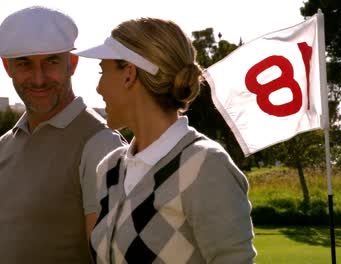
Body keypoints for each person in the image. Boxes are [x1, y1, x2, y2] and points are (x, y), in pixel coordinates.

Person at [76, 17, 257, 263]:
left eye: (102, 71)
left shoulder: (206, 166)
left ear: (129, 74)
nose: (98, 88)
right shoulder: (110, 168)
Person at [0, 6, 125, 263]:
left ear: (73, 64)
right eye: (24, 64)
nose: (38, 79)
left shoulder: (101, 144)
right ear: (7, 67)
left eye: (51, 62)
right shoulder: (4, 145)